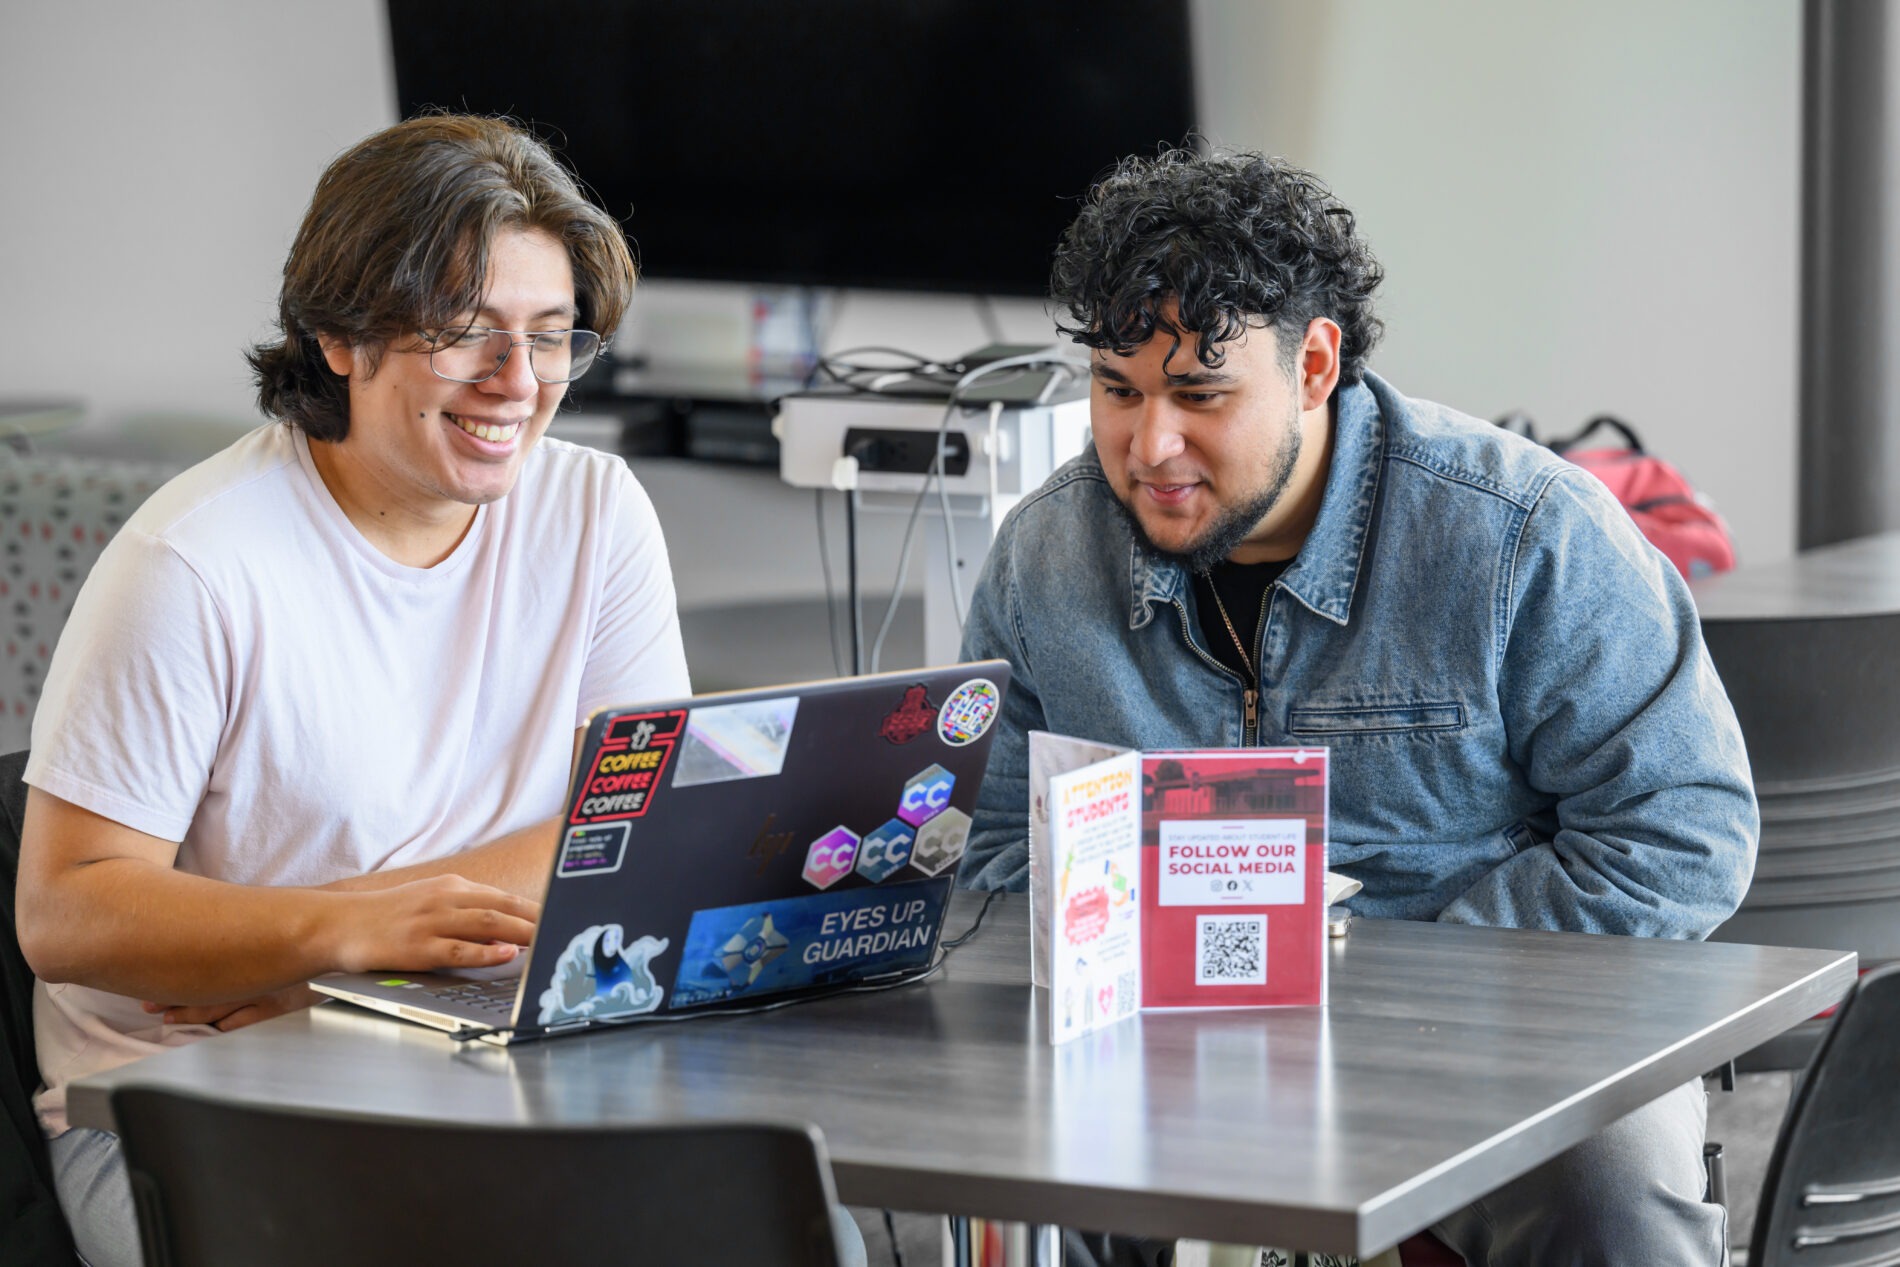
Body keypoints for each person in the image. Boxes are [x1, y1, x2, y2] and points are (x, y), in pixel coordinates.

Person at [957, 150, 1757, 1266]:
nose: (1150, 447)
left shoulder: (1523, 533)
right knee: (1009, 1177)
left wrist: (1385, 979)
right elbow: (988, 852)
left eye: (1199, 395)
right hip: (1152, 1035)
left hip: (1505, 1039)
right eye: (1116, 390)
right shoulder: (1044, 559)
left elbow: (1683, 832)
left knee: (1613, 1197)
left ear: (1315, 364)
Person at [12, 115, 698, 1266]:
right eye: (466, 335)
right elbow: (65, 910)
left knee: (771, 1214)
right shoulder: (195, 562)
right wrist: (342, 934)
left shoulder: (596, 513)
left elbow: (637, 813)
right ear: (339, 333)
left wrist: (363, 974)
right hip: (192, 1108)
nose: (516, 384)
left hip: (471, 1057)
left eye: (547, 338)